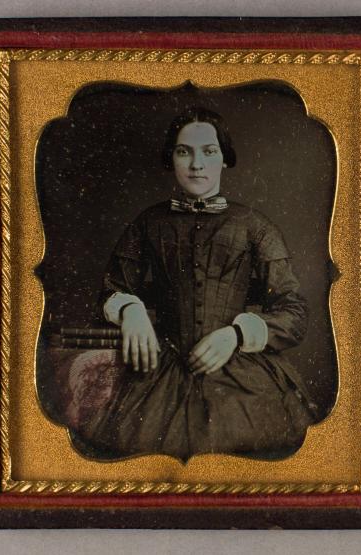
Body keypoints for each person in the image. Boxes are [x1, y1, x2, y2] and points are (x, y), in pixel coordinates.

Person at [75, 107, 317, 461]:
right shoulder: (149, 223)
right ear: (171, 158)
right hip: (161, 375)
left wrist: (235, 335)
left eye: (208, 151)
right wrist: (131, 309)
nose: (196, 165)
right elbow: (109, 292)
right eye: (184, 151)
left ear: (223, 159)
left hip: (242, 378)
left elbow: (294, 312)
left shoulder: (254, 226)